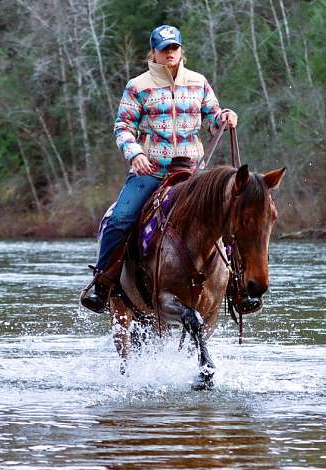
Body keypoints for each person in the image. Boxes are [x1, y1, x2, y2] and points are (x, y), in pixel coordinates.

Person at [80, 24, 238, 313]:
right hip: (150, 171)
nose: (170, 53)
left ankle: (236, 289)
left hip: (193, 173)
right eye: (164, 49)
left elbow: (213, 119)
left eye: (174, 48)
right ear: (153, 52)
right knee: (120, 219)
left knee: (229, 217)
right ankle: (103, 285)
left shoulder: (198, 83)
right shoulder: (138, 86)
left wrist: (225, 117)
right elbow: (123, 126)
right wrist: (135, 154)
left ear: (181, 50)